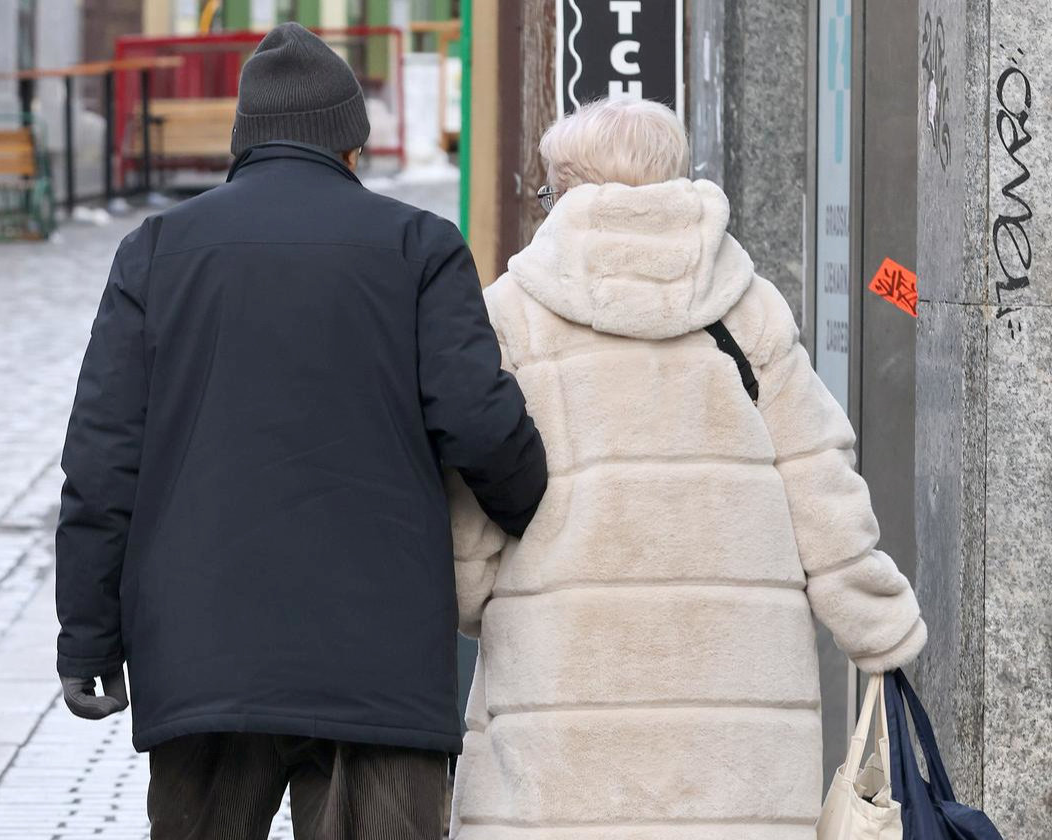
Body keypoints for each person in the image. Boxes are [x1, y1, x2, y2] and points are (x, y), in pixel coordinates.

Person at [55, 22, 548, 840]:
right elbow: (476, 418)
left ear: (242, 142)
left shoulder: (158, 252)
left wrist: (88, 639)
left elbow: (104, 460)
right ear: (351, 142)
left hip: (204, 653)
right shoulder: (419, 248)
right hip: (378, 658)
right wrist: (529, 506)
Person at [446, 97, 927, 839]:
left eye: (546, 190)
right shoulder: (746, 311)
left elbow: (480, 493)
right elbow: (819, 481)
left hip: (564, 706)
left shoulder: (511, 316)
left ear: (569, 189)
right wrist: (878, 627)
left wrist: (469, 594)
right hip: (733, 730)